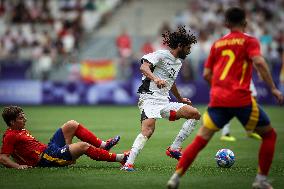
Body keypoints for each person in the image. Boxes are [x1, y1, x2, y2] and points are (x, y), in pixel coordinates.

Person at [167, 7, 283, 189]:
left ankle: (175, 177)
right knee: (269, 135)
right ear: (245, 23)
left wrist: (220, 88)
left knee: (200, 140)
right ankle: (260, 180)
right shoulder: (249, 41)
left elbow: (206, 74)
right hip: (242, 99)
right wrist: (274, 89)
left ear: (226, 24)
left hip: (219, 100)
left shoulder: (217, 44)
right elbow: (259, 62)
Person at [121, 26, 201, 171]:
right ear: (180, 46)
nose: (189, 51)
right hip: (149, 98)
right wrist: (156, 79)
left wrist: (180, 98)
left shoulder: (178, 62)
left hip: (164, 101)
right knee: (148, 130)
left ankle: (174, 148)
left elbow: (171, 83)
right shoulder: (161, 55)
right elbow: (144, 67)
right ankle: (128, 164)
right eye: (188, 48)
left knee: (194, 114)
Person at [0, 105, 128, 169]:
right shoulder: (10, 135)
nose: (25, 119)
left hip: (49, 149)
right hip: (46, 159)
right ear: (12, 122)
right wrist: (18, 166)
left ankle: (103, 146)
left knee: (71, 124)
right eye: (21, 118)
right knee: (83, 146)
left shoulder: (19, 129)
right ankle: (121, 158)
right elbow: (3, 157)